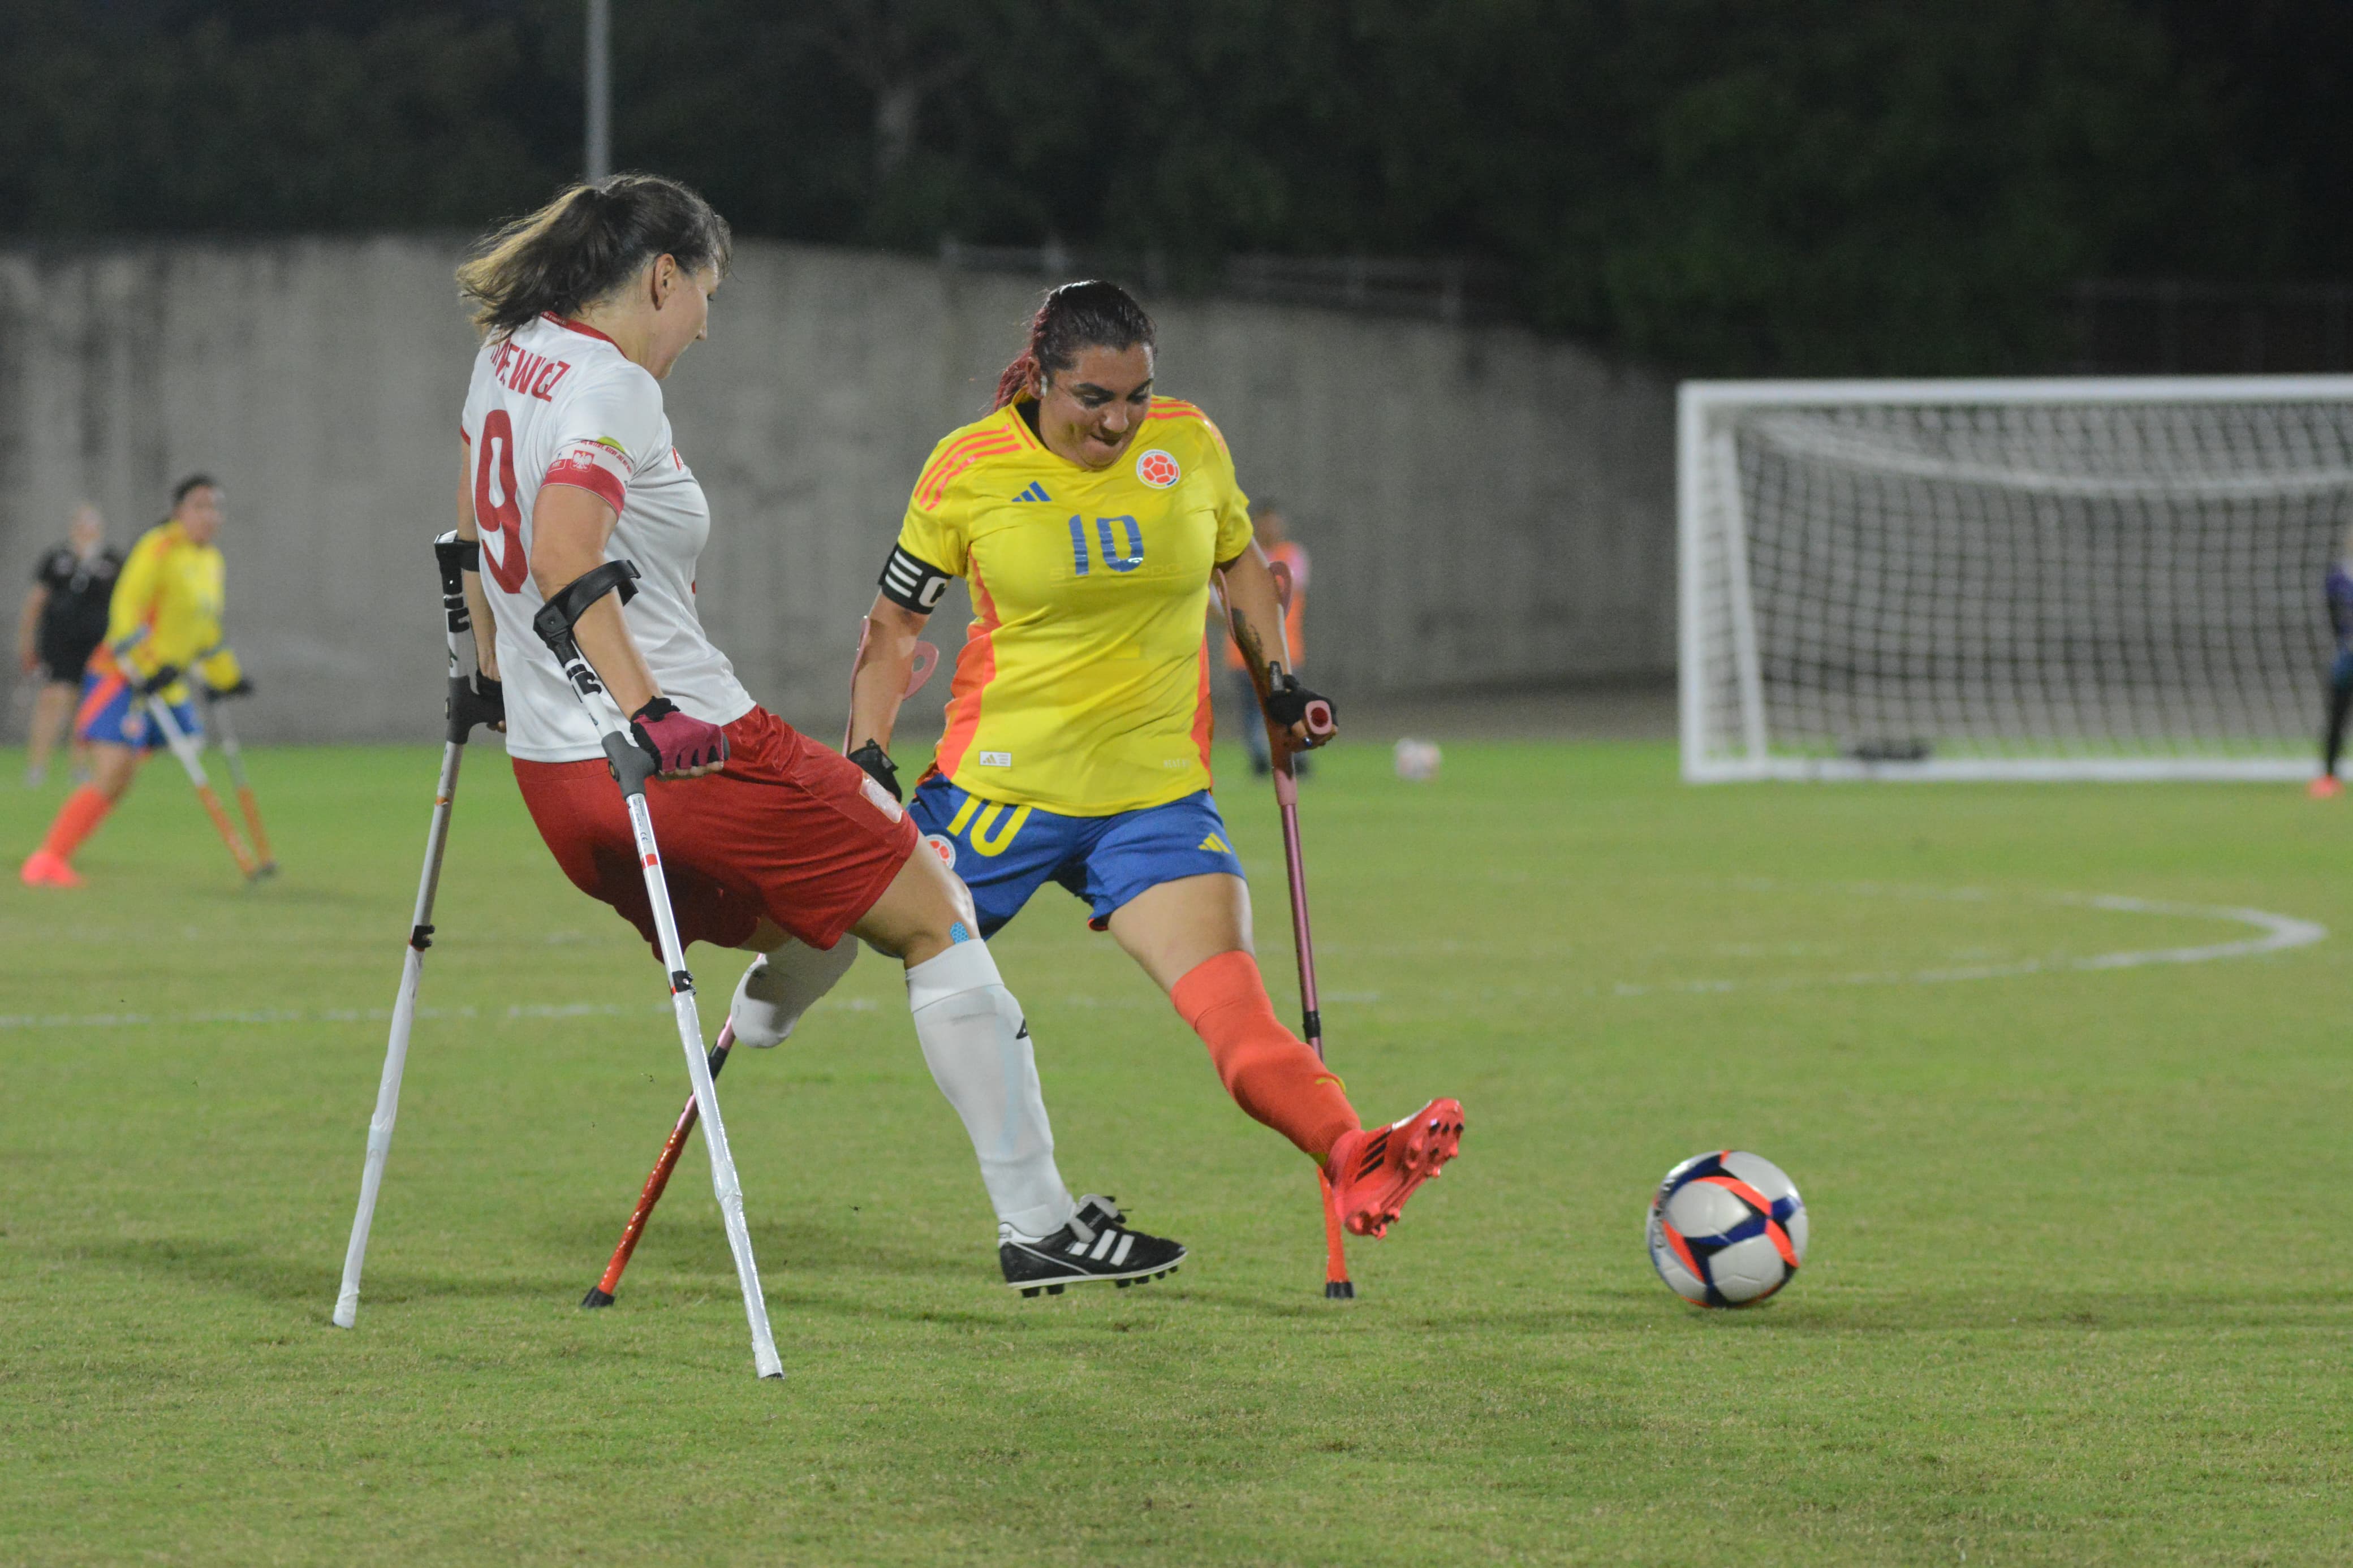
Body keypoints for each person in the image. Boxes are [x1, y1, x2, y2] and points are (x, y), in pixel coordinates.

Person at [447, 175, 1181, 1295]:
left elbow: (470, 532)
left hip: (556, 784)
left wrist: (487, 673)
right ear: (659, 278)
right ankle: (1039, 1225)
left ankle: (774, 1007)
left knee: (850, 885)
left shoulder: (509, 356)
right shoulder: (615, 386)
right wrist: (650, 708)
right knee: (935, 903)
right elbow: (559, 547)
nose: (707, 318)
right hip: (686, 757)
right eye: (704, 292)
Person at [843, 280, 1464, 1242]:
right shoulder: (968, 468)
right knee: (818, 935)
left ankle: (1353, 1155)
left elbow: (1243, 564)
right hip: (991, 795)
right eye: (1096, 398)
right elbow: (893, 625)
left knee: (1238, 1017)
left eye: (1136, 394)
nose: (1121, 419)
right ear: (1044, 381)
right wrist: (868, 756)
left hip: (1155, 804)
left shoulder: (1192, 444)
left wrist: (1282, 684)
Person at [21, 477, 246, 889]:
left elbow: (205, 629)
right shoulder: (158, 548)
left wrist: (226, 677)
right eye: (200, 506)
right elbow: (127, 609)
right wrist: (145, 663)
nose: (210, 515)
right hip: (123, 675)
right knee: (112, 770)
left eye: (215, 507)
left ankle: (60, 852)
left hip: (164, 683)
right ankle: (46, 859)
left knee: (122, 776)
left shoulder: (211, 562)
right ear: (180, 511)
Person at [15, 504, 122, 787]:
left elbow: (126, 603)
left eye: (92, 524)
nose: (87, 530)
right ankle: (37, 766)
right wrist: (27, 644)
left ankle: (80, 766)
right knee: (53, 700)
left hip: (97, 646)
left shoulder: (111, 561)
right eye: (81, 524)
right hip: (58, 644)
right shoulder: (57, 559)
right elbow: (35, 602)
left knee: (88, 704)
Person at [1215, 498, 1309, 778]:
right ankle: (1260, 758)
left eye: (1276, 521)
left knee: (1285, 704)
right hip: (1242, 653)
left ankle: (1295, 757)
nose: (1272, 527)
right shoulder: (1238, 556)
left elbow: (1289, 588)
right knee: (1253, 710)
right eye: (1266, 521)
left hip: (1283, 650)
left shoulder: (1292, 554)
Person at [2316, 539, 2353, 798]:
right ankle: (2328, 777)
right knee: (2337, 718)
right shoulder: (2339, 577)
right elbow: (2334, 617)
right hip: (2348, 657)